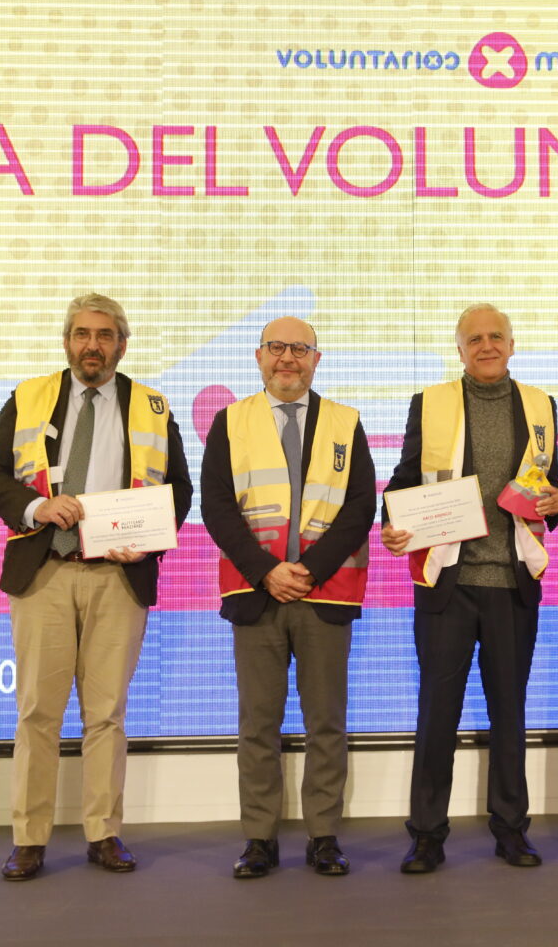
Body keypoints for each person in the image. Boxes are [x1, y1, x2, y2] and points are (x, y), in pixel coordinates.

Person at [0, 293, 192, 881]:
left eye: (104, 335)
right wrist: (38, 507)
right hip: (42, 570)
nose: (91, 345)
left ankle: (104, 832)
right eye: (81, 334)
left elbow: (180, 491)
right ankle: (29, 838)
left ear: (122, 344)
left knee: (107, 715)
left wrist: (147, 540)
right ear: (67, 341)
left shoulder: (152, 404)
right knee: (38, 713)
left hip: (118, 576)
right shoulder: (28, 397)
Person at [381, 303, 558, 874]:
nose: (486, 346)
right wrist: (395, 526)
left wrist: (557, 506)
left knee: (510, 712)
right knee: (437, 713)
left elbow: (547, 490)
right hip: (447, 582)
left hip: (512, 582)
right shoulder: (429, 403)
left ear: (512, 345)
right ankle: (427, 835)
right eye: (474, 339)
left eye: (496, 337)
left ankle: (512, 831)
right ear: (458, 349)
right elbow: (403, 484)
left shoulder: (541, 406)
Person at [199, 317, 375, 879]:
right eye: (277, 348)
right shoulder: (231, 422)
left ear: (316, 359)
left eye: (300, 349)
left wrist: (310, 569)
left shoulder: (347, 423)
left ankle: (324, 836)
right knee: (258, 725)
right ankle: (259, 839)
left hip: (326, 593)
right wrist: (267, 571)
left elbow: (360, 507)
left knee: (327, 722)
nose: (288, 359)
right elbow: (218, 508)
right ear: (259, 357)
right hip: (257, 595)